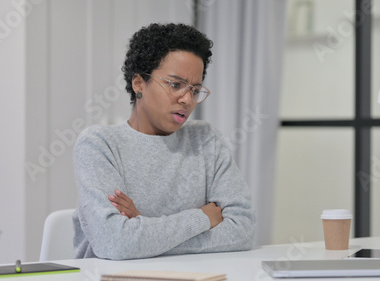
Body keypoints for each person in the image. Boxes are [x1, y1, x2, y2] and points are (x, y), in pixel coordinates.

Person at [72, 23, 256, 260]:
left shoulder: (206, 140)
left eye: (196, 89)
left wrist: (143, 229)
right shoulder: (99, 144)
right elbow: (115, 243)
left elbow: (243, 230)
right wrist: (203, 217)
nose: (187, 99)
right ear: (138, 83)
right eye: (175, 85)